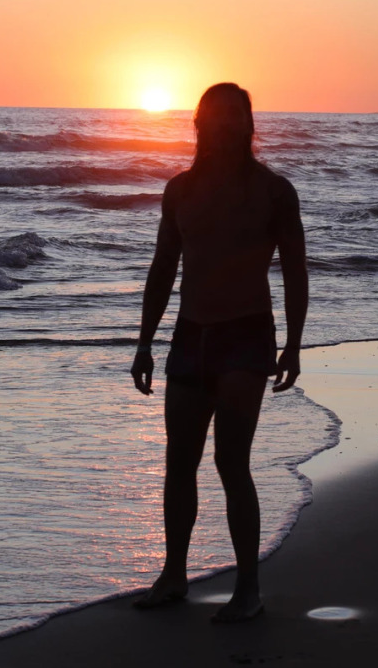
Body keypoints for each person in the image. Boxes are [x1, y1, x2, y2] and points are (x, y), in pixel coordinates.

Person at [129, 82, 308, 623]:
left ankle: (248, 589)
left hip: (245, 337)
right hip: (189, 337)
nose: (222, 126)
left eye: (234, 117)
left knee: (232, 463)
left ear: (248, 125)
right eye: (213, 118)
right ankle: (174, 574)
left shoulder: (274, 192)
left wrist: (294, 344)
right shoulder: (179, 190)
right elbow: (162, 269)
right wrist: (143, 341)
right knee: (178, 463)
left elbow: (296, 272)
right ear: (199, 125)